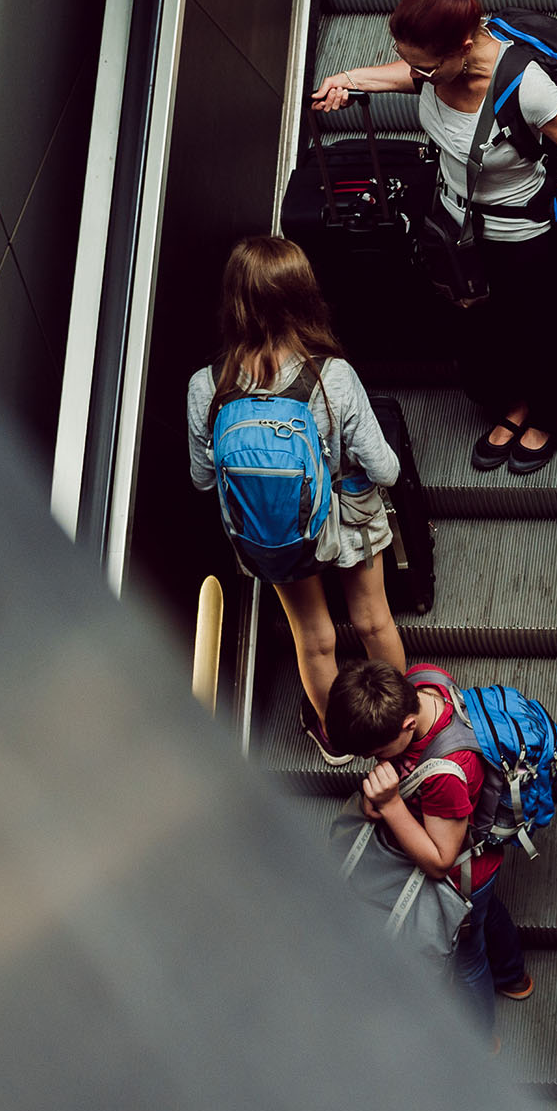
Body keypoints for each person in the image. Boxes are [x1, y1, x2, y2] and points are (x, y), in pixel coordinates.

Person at [309, 0, 557, 477]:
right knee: (478, 324)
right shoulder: (432, 66)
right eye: (406, 61)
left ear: (463, 47)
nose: (412, 75)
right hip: (456, 224)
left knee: (540, 326)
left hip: (522, 231)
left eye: (423, 67)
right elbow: (412, 73)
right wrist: (352, 80)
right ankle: (513, 403)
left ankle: (547, 415)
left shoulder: (525, 87)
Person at [186, 235, 408, 766]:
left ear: (234, 301)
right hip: (346, 517)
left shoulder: (206, 385)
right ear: (302, 296)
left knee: (314, 638)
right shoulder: (332, 376)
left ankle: (340, 738)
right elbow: (386, 470)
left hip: (275, 530)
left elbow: (201, 479)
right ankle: (400, 729)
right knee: (374, 620)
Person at [327, 659, 533, 1040]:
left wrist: (390, 804)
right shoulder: (423, 679)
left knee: (469, 960)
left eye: (379, 752)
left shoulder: (445, 774)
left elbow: (440, 861)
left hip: (464, 876)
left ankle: (482, 1042)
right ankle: (514, 978)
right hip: (483, 865)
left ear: (407, 725)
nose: (377, 760)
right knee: (488, 914)